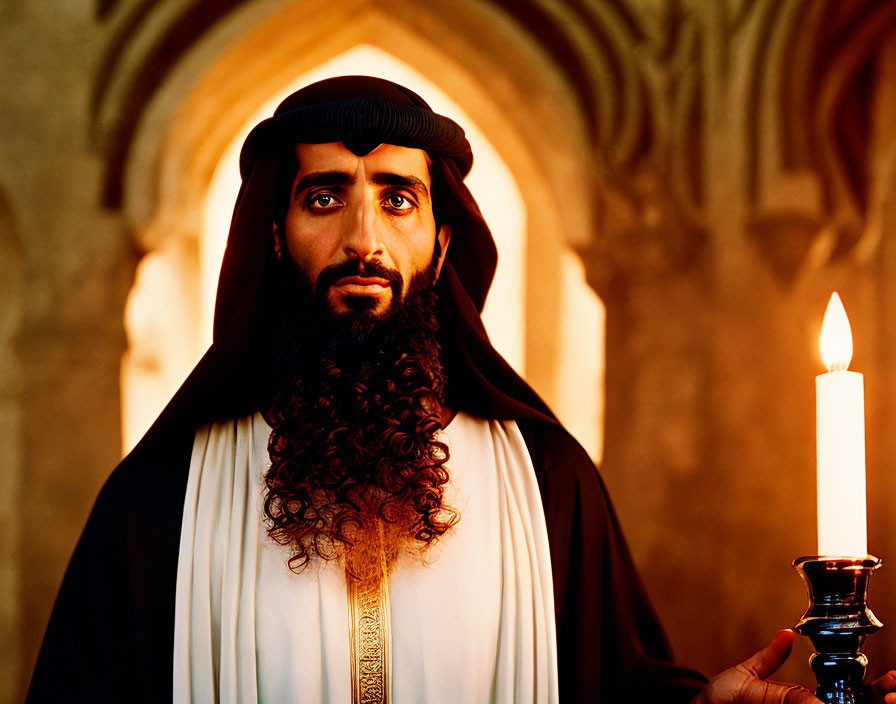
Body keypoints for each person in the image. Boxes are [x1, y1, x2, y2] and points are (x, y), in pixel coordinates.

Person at [25, 76, 896, 703]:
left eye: (398, 198)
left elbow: (615, 689)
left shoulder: (547, 483)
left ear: (443, 242)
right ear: (275, 238)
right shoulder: (162, 500)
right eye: (325, 196)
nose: (363, 238)